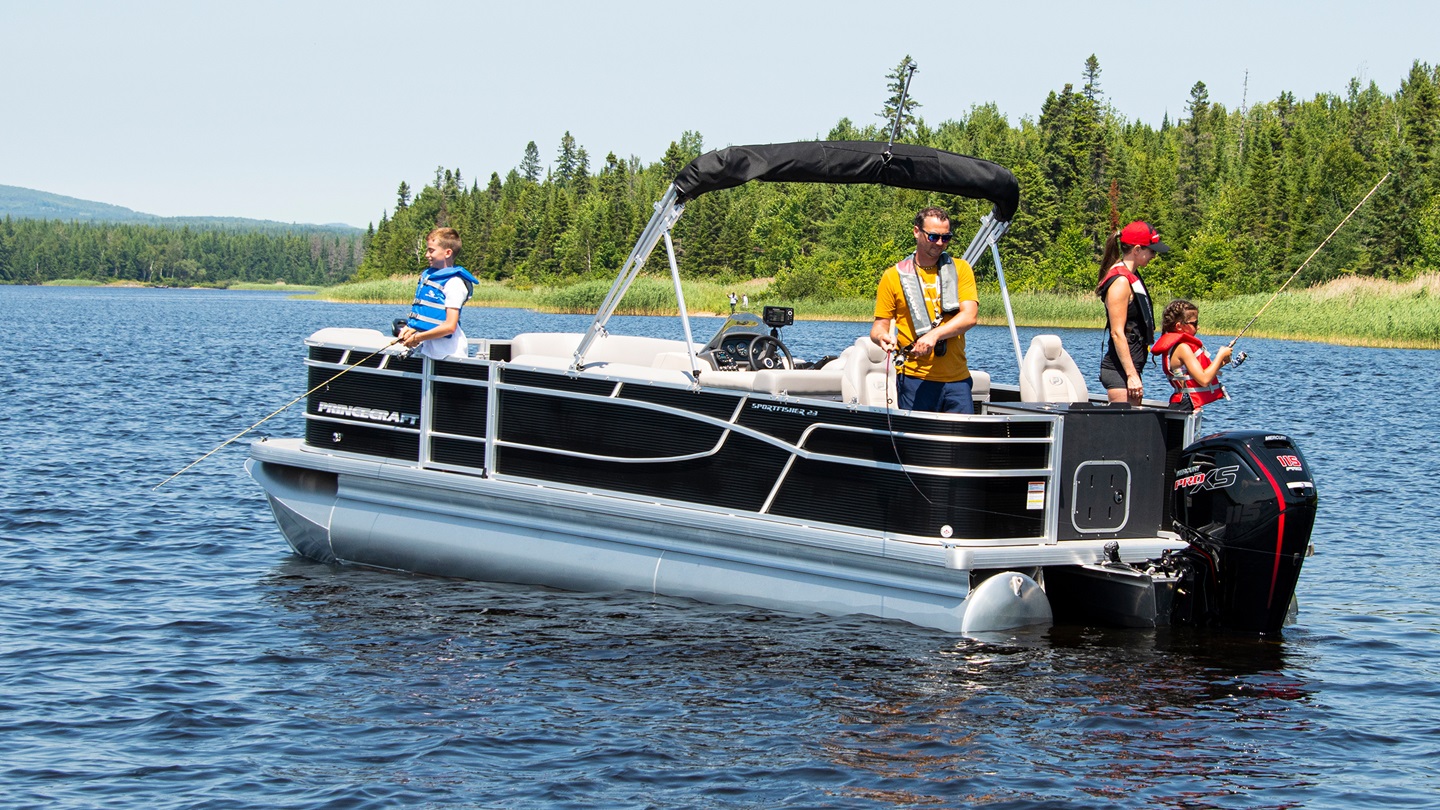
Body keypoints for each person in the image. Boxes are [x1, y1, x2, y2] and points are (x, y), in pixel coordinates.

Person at [870, 206, 980, 413]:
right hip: (914, 380)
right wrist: (882, 337)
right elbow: (878, 328)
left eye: (946, 238)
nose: (939, 243)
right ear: (916, 232)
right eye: (933, 237)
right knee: (916, 443)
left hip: (957, 381)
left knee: (961, 444)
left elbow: (970, 317)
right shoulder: (892, 276)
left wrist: (934, 335)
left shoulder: (961, 269)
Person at [1097, 220, 1167, 404]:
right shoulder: (1120, 281)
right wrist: (1131, 375)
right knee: (1124, 430)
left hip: (1132, 368)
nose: (1154, 255)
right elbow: (1117, 332)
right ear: (1137, 250)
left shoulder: (1132, 276)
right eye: (1151, 251)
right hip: (1120, 372)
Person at [398, 227, 478, 359]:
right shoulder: (430, 277)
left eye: (431, 251)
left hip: (448, 354)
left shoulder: (454, 283)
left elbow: (449, 326)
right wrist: (411, 329)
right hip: (429, 351)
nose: (427, 255)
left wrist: (417, 337)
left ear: (447, 253)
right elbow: (428, 319)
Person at [1150, 299, 1232, 410]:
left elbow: (1197, 374)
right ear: (1179, 326)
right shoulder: (1182, 348)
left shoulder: (1178, 347)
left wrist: (1220, 364)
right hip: (1184, 404)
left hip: (1183, 403)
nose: (1198, 327)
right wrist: (1220, 355)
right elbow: (1204, 380)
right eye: (1194, 323)